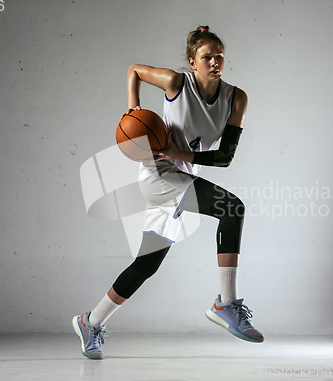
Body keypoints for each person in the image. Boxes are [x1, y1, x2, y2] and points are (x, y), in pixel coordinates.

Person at [72, 26, 264, 360]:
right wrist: (133, 111)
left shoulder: (237, 98)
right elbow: (134, 70)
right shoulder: (176, 83)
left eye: (220, 56)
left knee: (146, 264)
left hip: (183, 174)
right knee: (231, 208)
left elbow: (225, 157)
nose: (215, 62)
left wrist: (181, 154)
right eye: (207, 57)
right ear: (193, 61)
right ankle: (226, 303)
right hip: (159, 175)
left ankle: (91, 321)